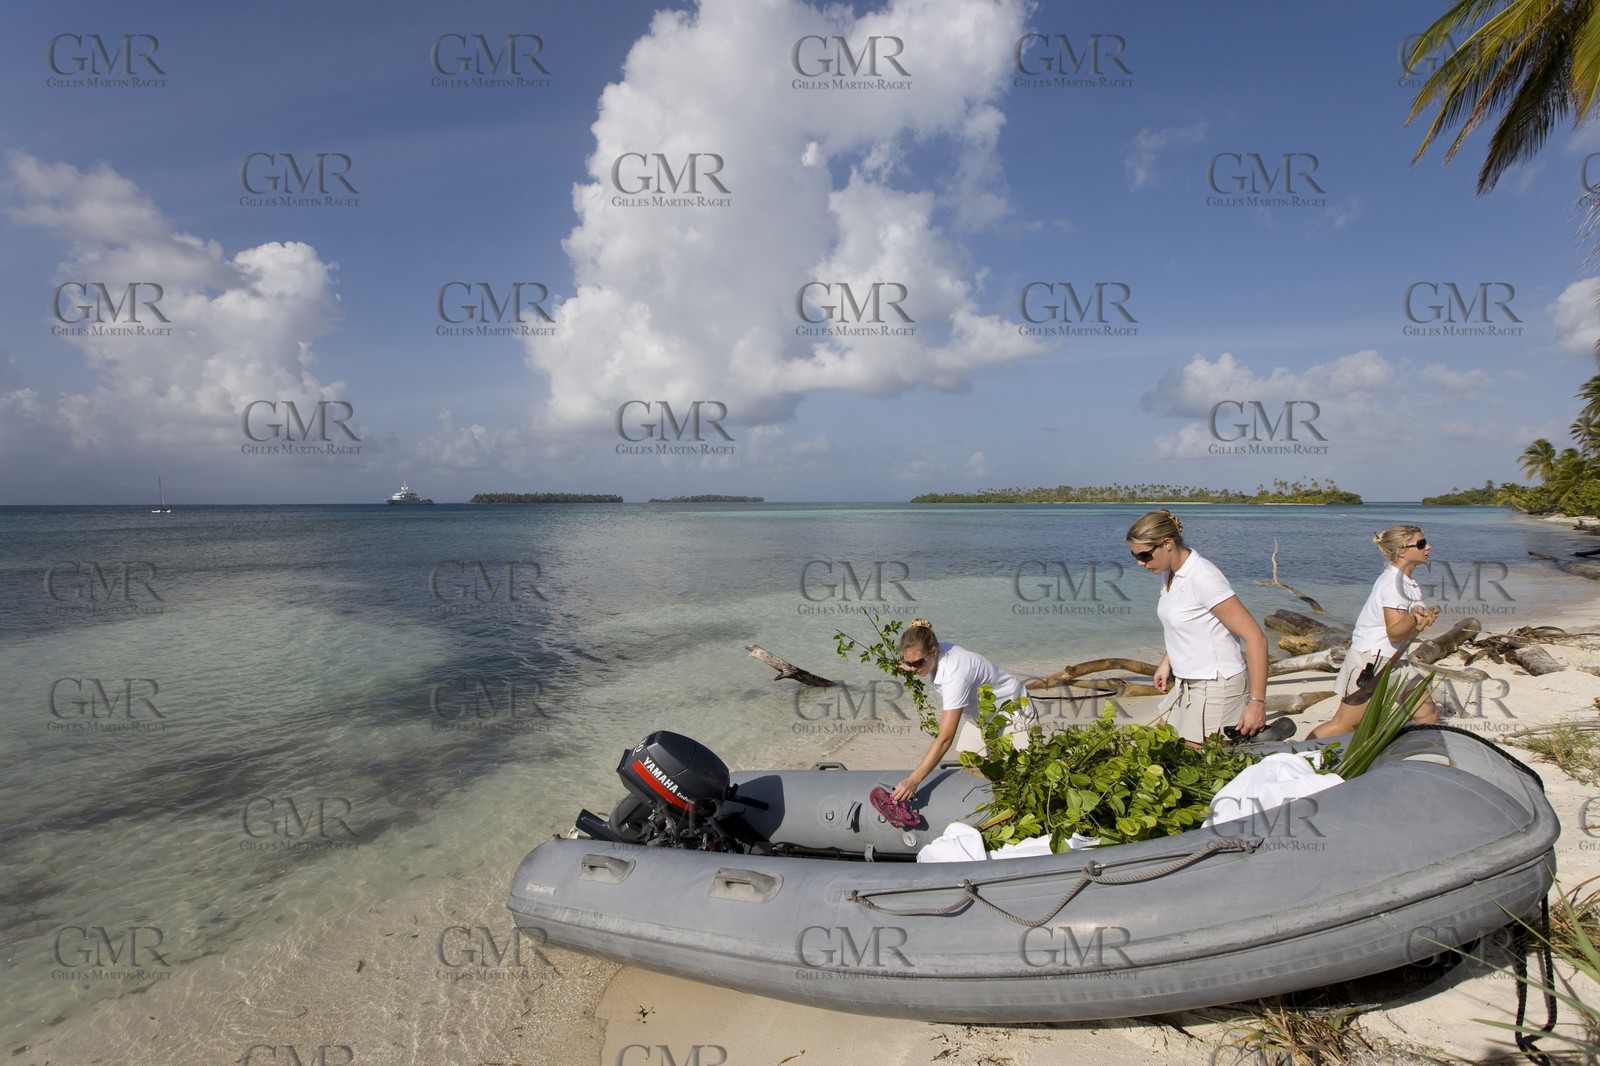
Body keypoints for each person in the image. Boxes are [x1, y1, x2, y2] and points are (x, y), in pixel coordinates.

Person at [1126, 509, 1282, 744]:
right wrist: (1167, 662)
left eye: (1145, 555)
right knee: (1155, 743)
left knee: (1197, 761)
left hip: (1217, 686)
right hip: (1186, 683)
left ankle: (1265, 743)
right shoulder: (1171, 573)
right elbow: (1185, 625)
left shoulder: (1204, 578)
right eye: (1135, 555)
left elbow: (1256, 638)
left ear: (1167, 544)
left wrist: (1257, 703)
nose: (1140, 563)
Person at [1308, 526, 1440, 739]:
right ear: (1401, 551)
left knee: (1427, 715)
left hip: (1395, 660)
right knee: (1346, 725)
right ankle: (1301, 755)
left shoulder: (1406, 582)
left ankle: (1403, 752)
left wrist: (1420, 618)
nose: (1428, 547)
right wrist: (1414, 618)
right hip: (1373, 661)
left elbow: (1405, 623)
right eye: (1421, 544)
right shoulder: (1393, 584)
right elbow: (1395, 632)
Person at [889, 618, 1033, 803]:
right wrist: (911, 665)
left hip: (1013, 713)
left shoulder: (954, 676)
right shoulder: (933, 651)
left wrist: (913, 780)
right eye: (910, 663)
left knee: (1018, 779)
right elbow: (918, 658)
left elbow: (945, 739)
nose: (915, 668)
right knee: (971, 761)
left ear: (934, 650)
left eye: (918, 663)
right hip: (983, 717)